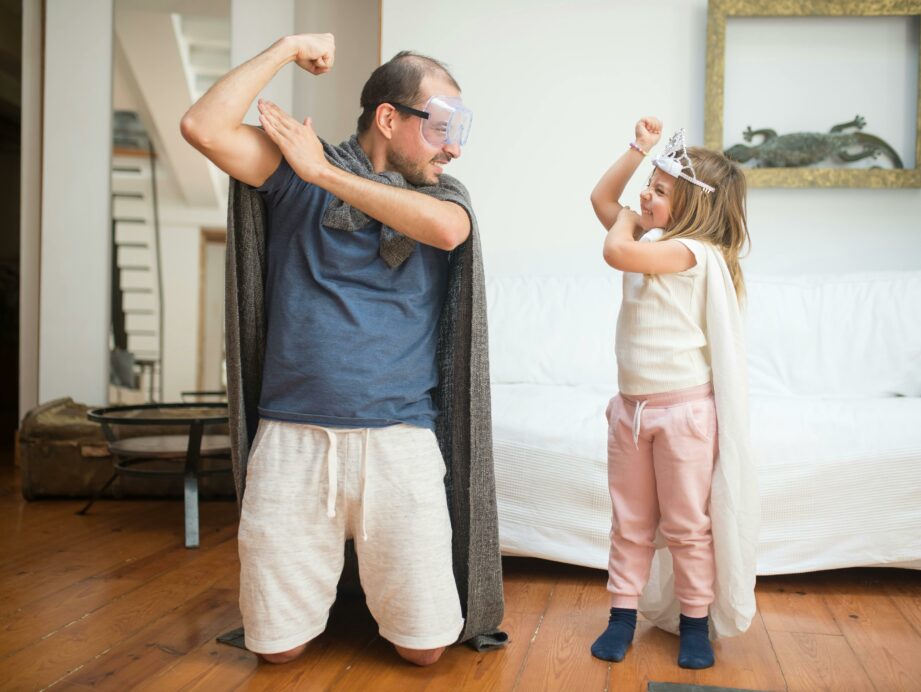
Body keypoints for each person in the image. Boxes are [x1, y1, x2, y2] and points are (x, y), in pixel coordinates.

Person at [181, 34, 504, 666]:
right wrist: (285, 49)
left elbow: (445, 232)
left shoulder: (441, 196)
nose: (454, 147)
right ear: (390, 117)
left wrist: (324, 174)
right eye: (443, 128)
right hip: (293, 440)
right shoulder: (293, 177)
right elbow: (203, 126)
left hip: (399, 441)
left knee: (426, 650)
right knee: (276, 651)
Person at [587, 118, 759, 668]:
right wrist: (639, 150)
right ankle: (622, 616)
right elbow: (600, 197)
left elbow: (617, 252)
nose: (645, 194)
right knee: (630, 521)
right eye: (650, 183)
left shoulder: (689, 253)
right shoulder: (650, 238)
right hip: (631, 411)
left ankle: (694, 624)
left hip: (684, 413)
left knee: (686, 525)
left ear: (690, 207)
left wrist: (630, 225)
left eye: (660, 190)